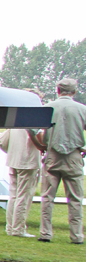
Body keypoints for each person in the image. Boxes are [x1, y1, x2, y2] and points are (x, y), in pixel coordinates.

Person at [36, 78, 86, 243]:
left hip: (52, 155)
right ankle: (77, 236)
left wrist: (41, 146)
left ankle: (45, 233)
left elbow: (33, 130)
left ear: (58, 90)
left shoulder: (48, 108)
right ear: (74, 91)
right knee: (76, 199)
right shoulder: (82, 109)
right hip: (74, 156)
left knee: (47, 197)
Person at [0, 91, 44, 238]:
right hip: (27, 161)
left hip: (13, 160)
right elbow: (40, 137)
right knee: (24, 196)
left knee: (14, 196)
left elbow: (0, 141)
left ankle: (10, 228)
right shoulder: (34, 118)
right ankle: (18, 229)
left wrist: (12, 151)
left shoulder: (16, 118)